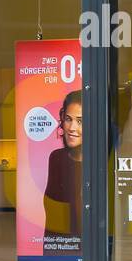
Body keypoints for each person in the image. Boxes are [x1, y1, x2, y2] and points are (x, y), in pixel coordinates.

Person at [43, 90, 83, 252]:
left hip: (86, 244)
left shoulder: (100, 161)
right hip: (59, 244)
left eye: (80, 121)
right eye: (68, 119)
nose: (72, 128)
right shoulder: (57, 158)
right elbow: (53, 213)